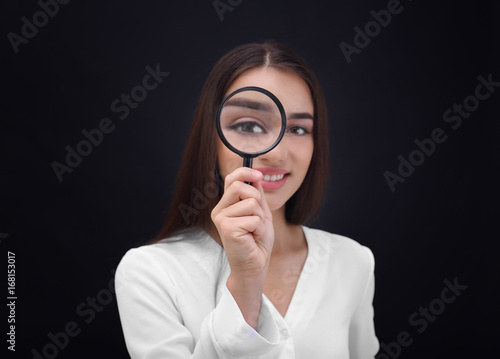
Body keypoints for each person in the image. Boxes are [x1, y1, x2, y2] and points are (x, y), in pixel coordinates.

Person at [115, 40, 379, 358]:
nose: (276, 152)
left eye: (297, 129)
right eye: (250, 126)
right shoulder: (149, 272)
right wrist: (246, 282)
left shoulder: (352, 262)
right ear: (211, 140)